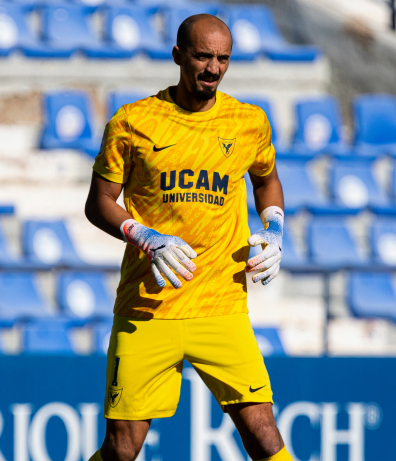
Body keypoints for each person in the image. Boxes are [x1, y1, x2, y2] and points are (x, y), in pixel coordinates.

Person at [84, 13, 289, 461]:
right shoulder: (134, 121)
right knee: (122, 449)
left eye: (223, 59)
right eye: (203, 57)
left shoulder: (248, 122)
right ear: (178, 56)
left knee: (265, 435)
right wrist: (143, 235)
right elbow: (98, 201)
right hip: (149, 306)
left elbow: (266, 179)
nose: (213, 68)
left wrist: (274, 227)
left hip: (221, 305)